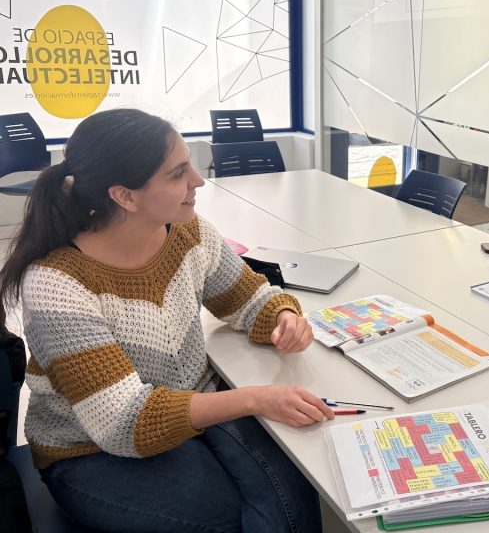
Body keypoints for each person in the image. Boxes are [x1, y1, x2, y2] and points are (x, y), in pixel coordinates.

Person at [0, 109, 336, 532]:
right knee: (233, 516)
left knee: (294, 493)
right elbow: (123, 424)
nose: (198, 181)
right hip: (90, 450)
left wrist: (282, 316)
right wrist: (254, 398)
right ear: (125, 196)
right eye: (178, 173)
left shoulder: (188, 231)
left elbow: (246, 298)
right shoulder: (57, 285)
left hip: (188, 405)